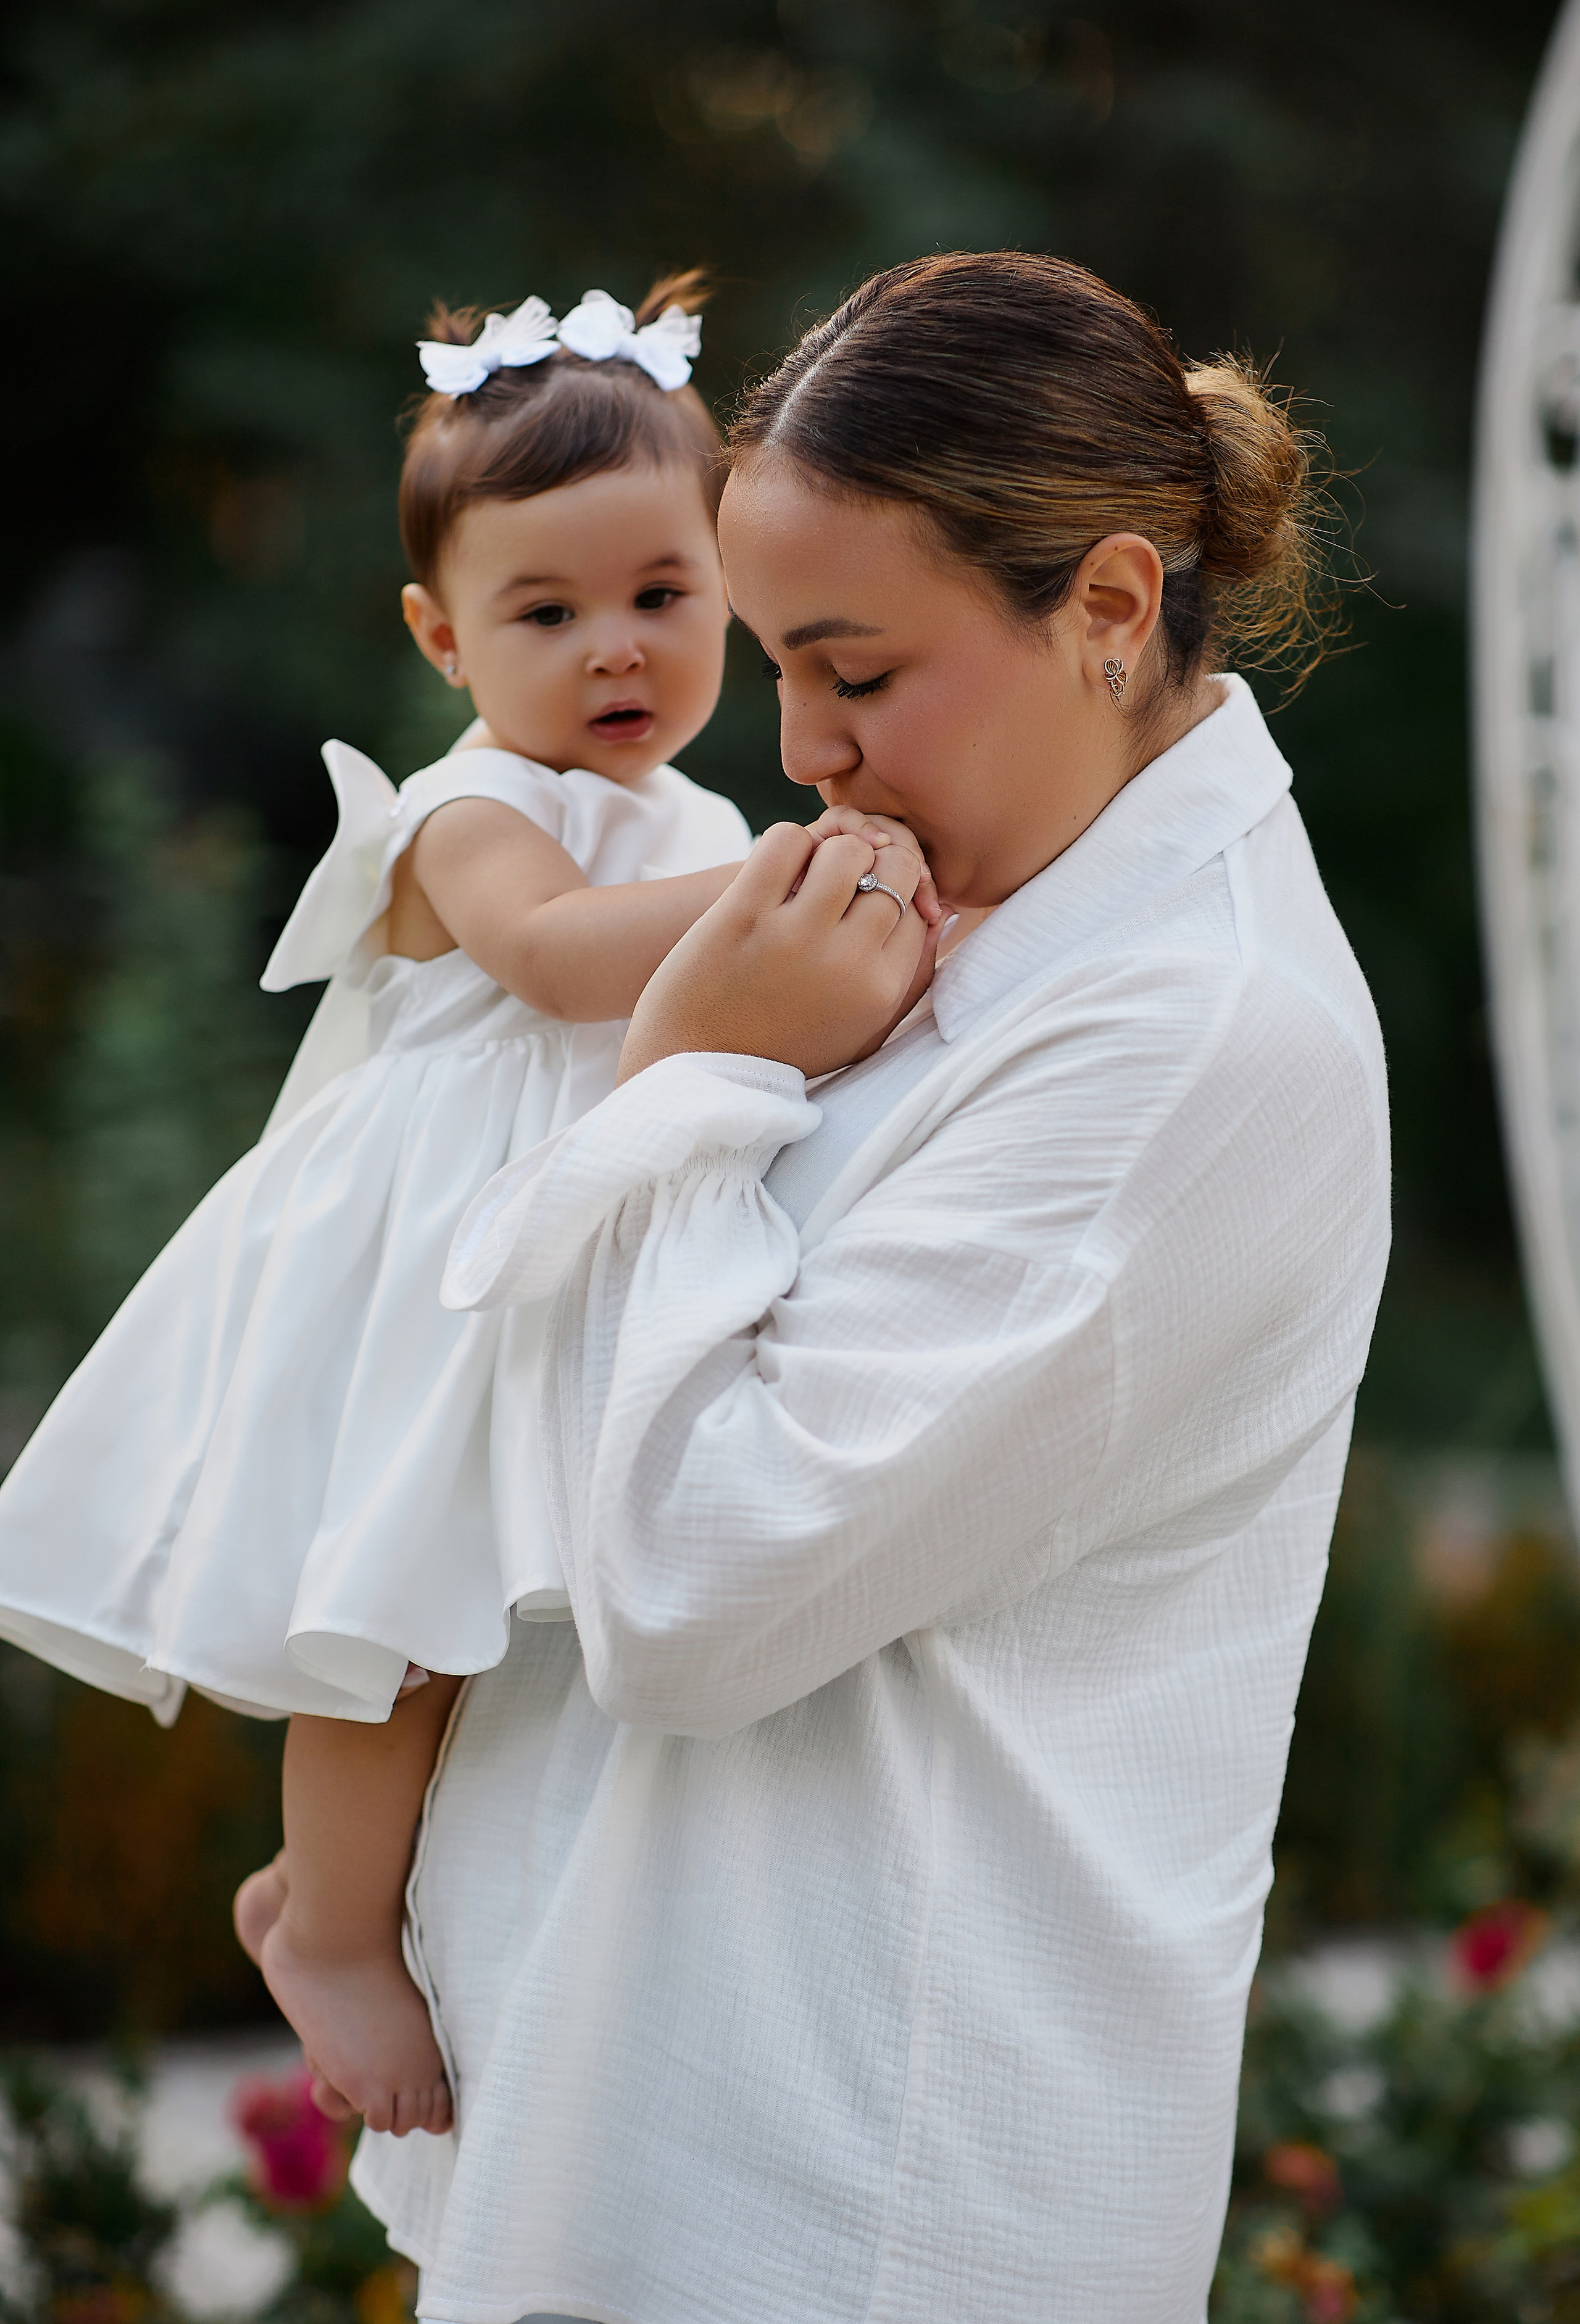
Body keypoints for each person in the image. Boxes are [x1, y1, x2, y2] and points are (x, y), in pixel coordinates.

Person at [351, 251, 1392, 2324]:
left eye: (859, 671)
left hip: (861, 2187)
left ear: (1107, 608)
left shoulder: (1193, 1038)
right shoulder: (983, 909)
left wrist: (692, 1076)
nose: (803, 749)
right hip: (674, 2111)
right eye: (778, 666)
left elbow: (694, 1591)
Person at [0, 272, 897, 2138]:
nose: (616, 650)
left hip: (569, 1249)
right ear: (440, 636)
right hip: (431, 1274)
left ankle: (480, 1899)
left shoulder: (710, 824)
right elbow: (566, 964)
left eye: (662, 594)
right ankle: (319, 1917)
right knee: (402, 1620)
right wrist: (805, 892)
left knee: (552, 1611)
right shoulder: (465, 809)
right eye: (546, 610)